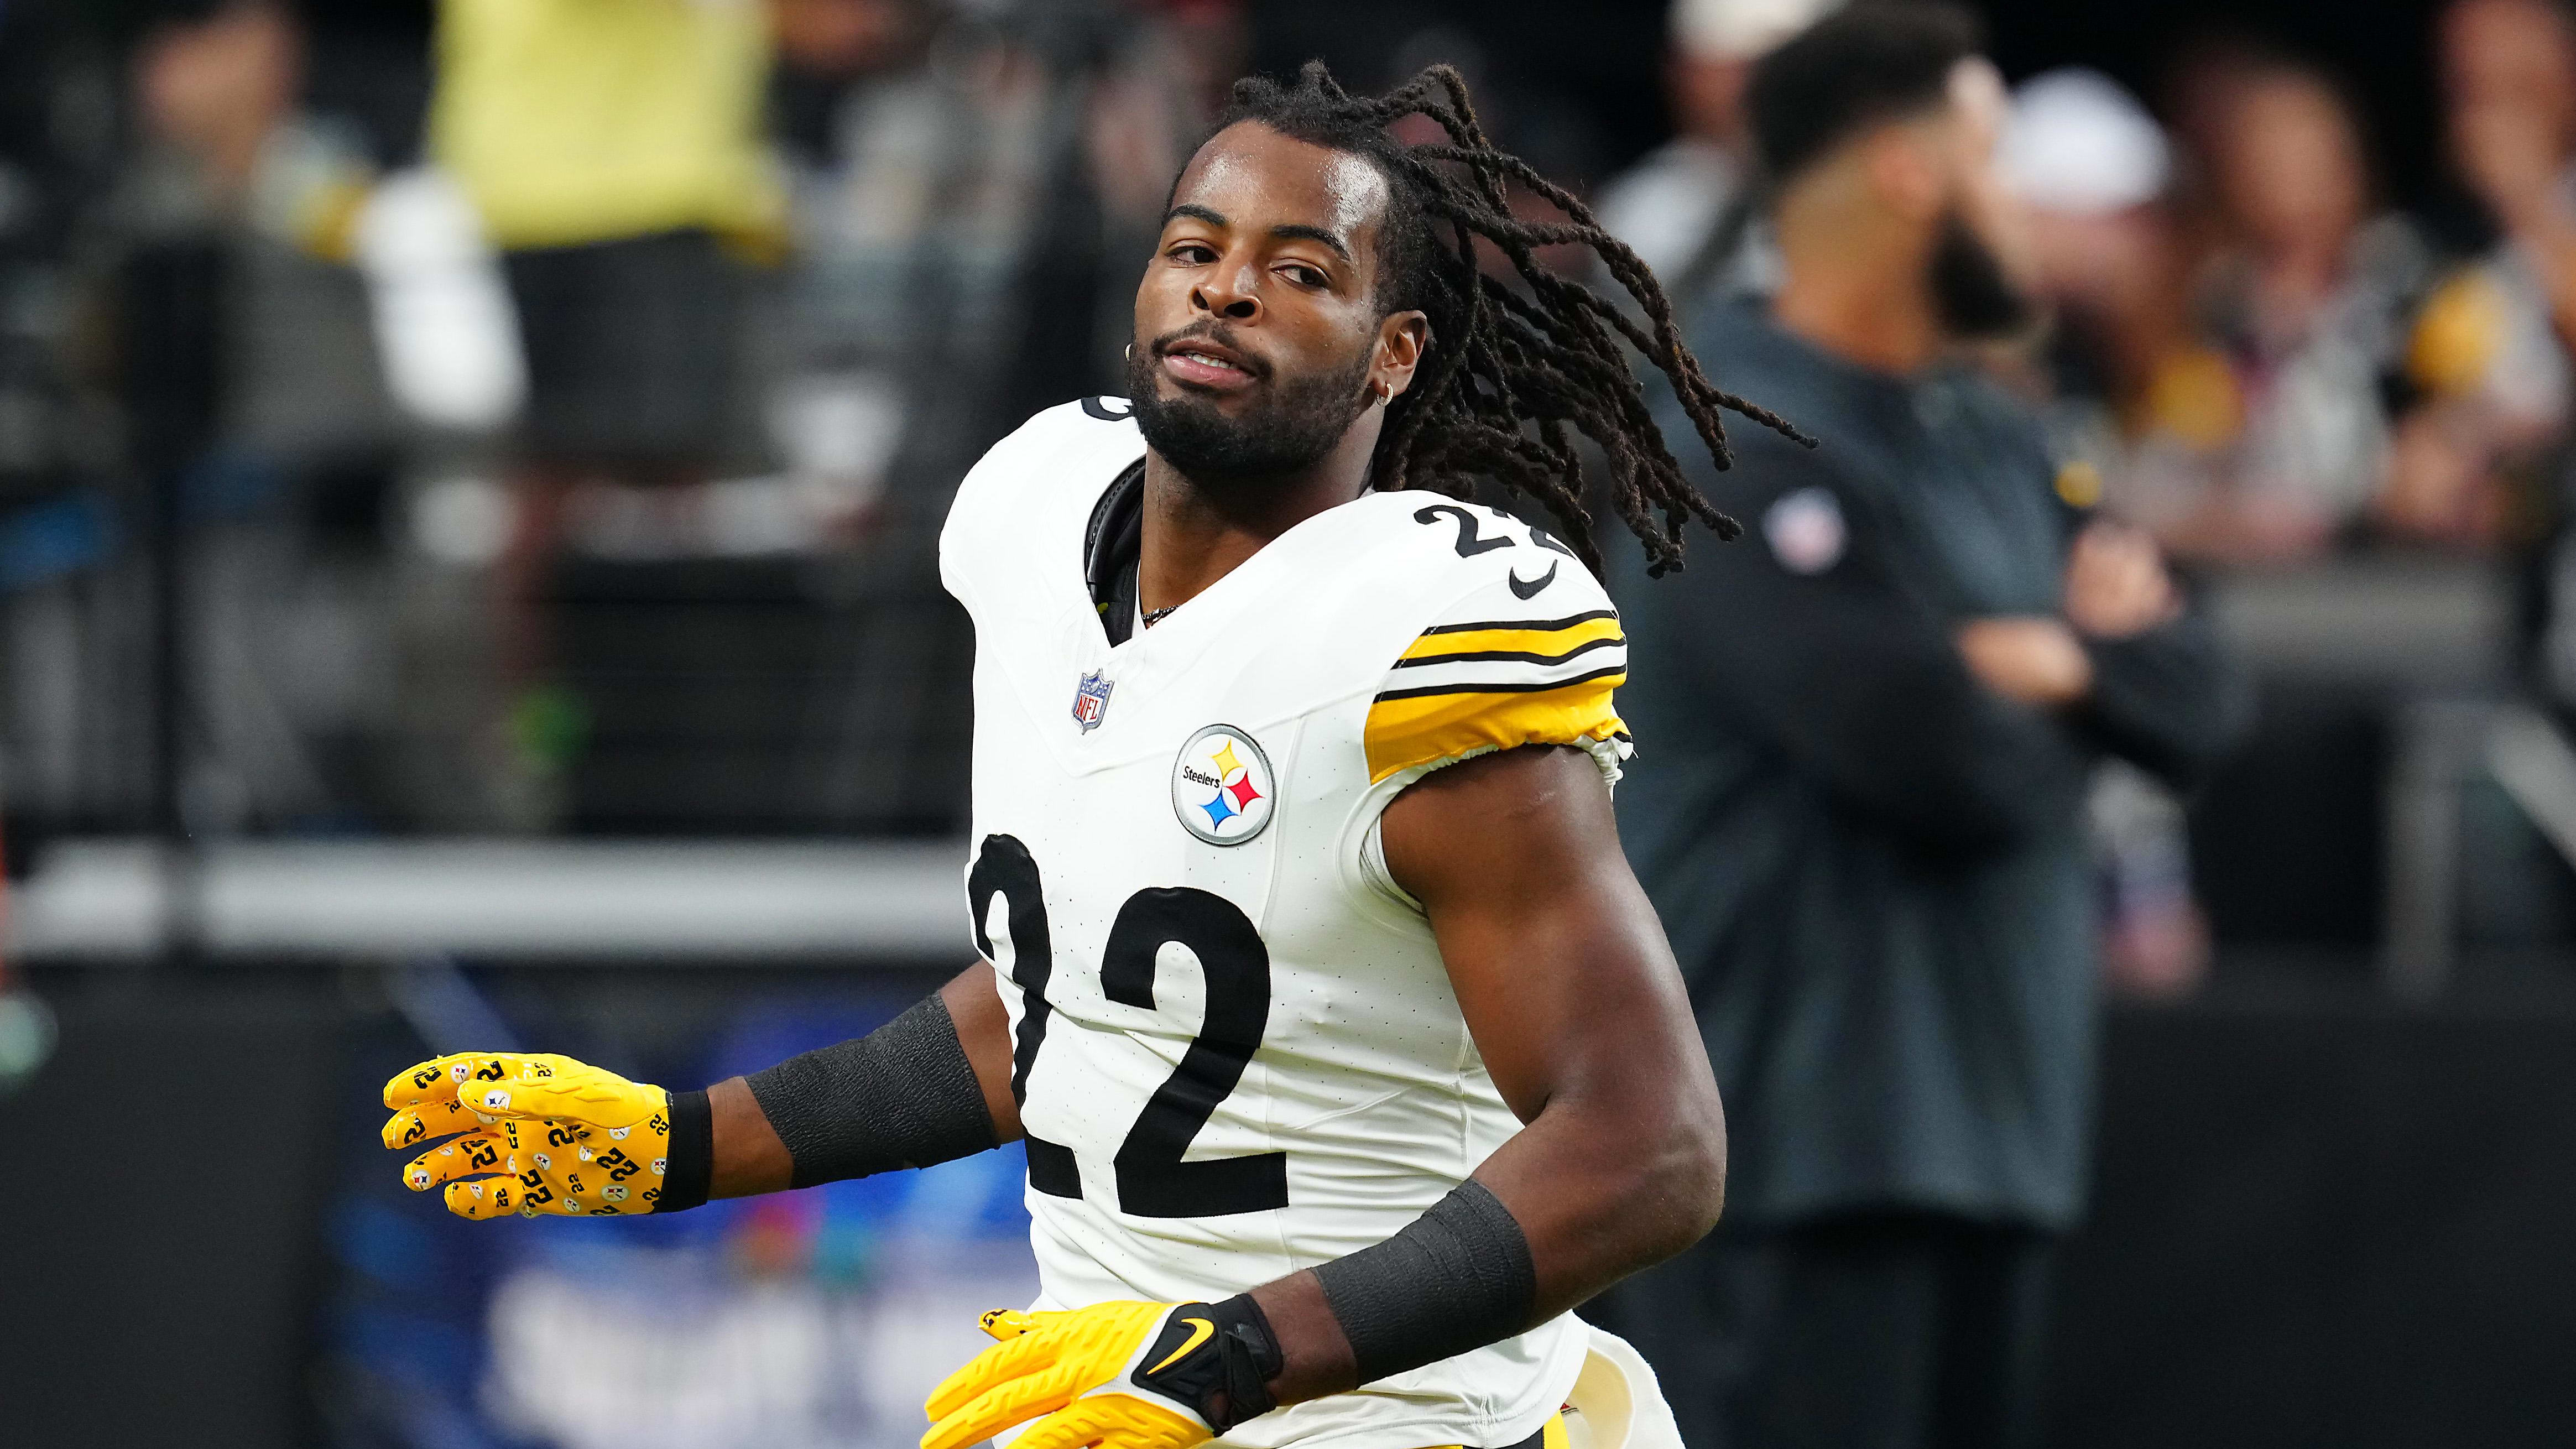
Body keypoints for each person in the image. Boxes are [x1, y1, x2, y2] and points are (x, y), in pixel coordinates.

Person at [380, 61, 1807, 1449]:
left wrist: (1234, 1351)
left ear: (1395, 352)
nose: (1227, 286)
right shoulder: (1035, 508)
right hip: (1120, 1401)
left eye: (1303, 271)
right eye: (1196, 245)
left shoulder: (1415, 633)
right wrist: (687, 1145)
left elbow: (1649, 1150)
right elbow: (1061, 1007)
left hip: (1393, 1423)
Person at [1589, 8, 2244, 1448]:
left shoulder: (1999, 435)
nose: (2025, 213)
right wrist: (2074, 680)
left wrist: (2052, 662)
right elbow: (1939, 754)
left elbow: (2202, 689)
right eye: (1996, 163)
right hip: (1788, 1153)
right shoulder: (1722, 435)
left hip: (1992, 1137)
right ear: (1905, 172)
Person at [1594, 0, 1842, 301]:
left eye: (1781, 64)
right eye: (1739, 69)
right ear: (1685, 74)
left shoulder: (1871, 190)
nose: (1762, 87)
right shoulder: (1643, 213)